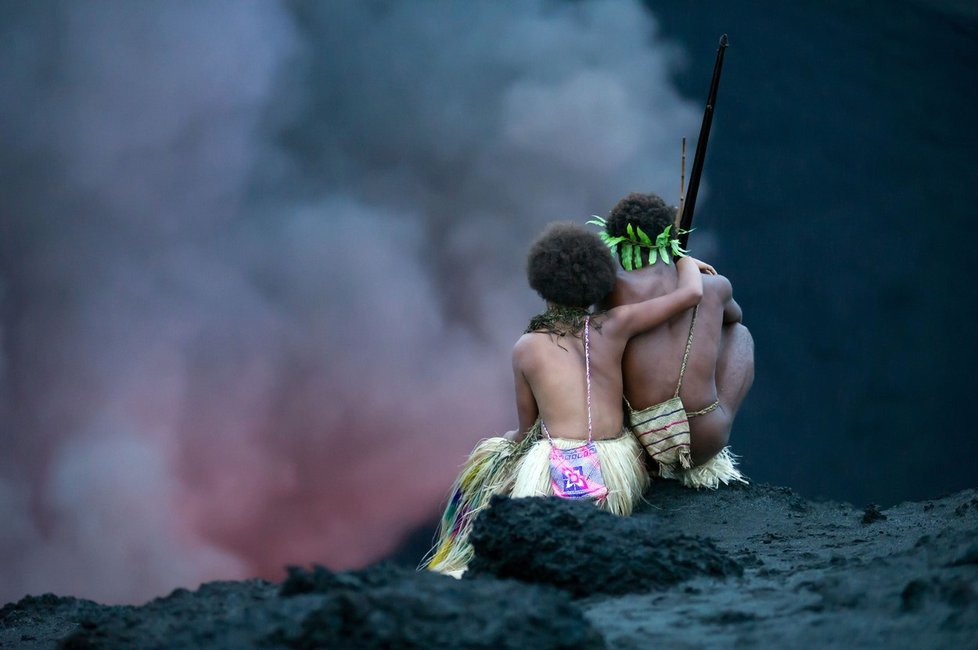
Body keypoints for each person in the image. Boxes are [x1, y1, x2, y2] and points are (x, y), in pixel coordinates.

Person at [422, 222, 703, 575]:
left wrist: (501, 450)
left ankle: (459, 559)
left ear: (542, 284)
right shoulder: (615, 324)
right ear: (596, 281)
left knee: (487, 468)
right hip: (616, 473)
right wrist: (684, 262)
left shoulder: (526, 348)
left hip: (554, 476)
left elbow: (527, 433)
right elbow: (691, 295)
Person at [599, 192, 754, 489]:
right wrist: (684, 266)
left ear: (619, 245)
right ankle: (705, 434)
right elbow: (735, 318)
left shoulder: (613, 291)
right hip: (704, 439)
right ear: (670, 241)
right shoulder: (715, 286)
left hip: (643, 445)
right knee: (739, 334)